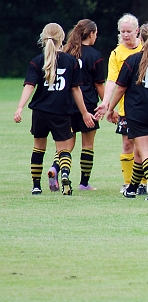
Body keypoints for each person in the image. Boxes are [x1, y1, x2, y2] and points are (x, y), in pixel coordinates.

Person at [14, 23, 94, 195]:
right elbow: (75, 89)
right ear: (62, 38)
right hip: (62, 111)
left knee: (38, 148)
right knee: (64, 149)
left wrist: (20, 107)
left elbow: (29, 85)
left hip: (40, 112)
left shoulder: (37, 60)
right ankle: (64, 175)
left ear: (43, 38)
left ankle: (36, 186)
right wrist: (85, 112)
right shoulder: (71, 61)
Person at [95, 23, 148, 200]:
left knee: (145, 150)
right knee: (138, 153)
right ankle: (132, 188)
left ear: (140, 38)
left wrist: (110, 108)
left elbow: (120, 88)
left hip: (136, 112)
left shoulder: (133, 60)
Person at [62, 19, 105, 190]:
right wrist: (107, 106)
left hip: (67, 104)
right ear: (91, 34)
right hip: (87, 105)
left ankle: (56, 168)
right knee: (87, 145)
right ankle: (84, 183)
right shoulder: (94, 56)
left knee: (67, 144)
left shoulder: (67, 53)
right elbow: (99, 84)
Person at [103, 14, 143, 193]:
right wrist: (106, 104)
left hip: (146, 104)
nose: (126, 35)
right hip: (126, 106)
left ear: (137, 30)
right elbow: (112, 81)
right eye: (122, 32)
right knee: (128, 143)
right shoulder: (116, 53)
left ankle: (145, 182)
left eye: (129, 31)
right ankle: (129, 183)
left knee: (147, 144)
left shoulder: (146, 48)